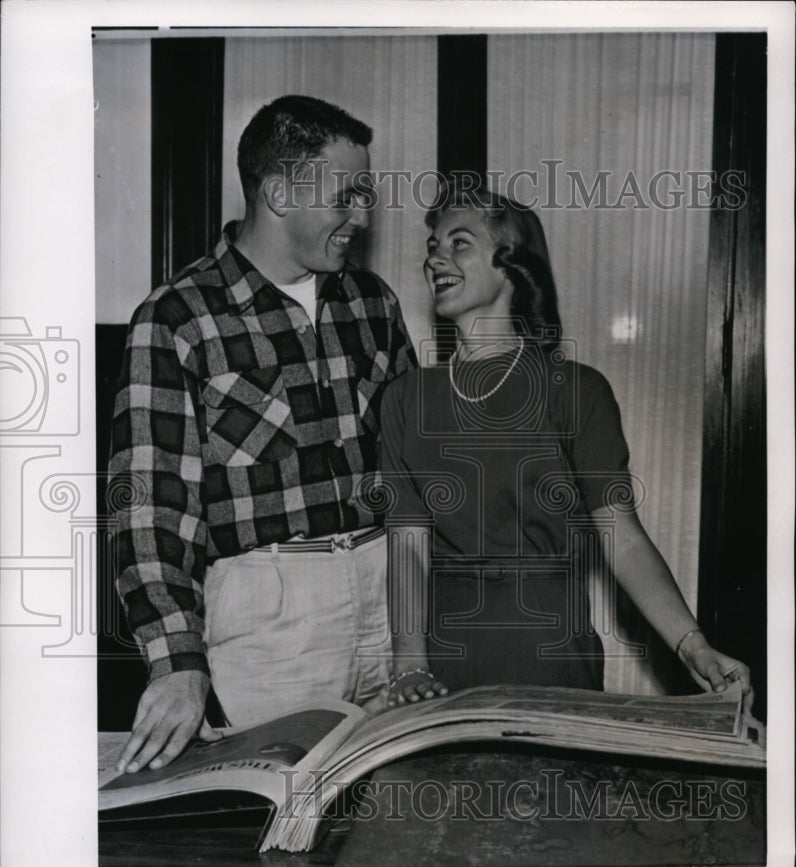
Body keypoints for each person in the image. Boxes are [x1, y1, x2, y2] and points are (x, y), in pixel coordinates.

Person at [108, 95, 416, 773]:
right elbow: (149, 511)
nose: (361, 216)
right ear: (278, 193)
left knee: (389, 815)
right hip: (271, 623)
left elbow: (414, 476)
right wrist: (175, 661)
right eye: (347, 196)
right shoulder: (177, 319)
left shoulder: (373, 304)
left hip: (386, 601)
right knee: (280, 829)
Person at [379, 183, 753, 711]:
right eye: (432, 247)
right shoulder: (405, 399)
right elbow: (408, 546)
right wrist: (409, 665)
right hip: (442, 666)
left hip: (550, 654)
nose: (435, 257)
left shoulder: (577, 390)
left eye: (459, 243)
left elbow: (621, 538)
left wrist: (693, 646)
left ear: (509, 262)